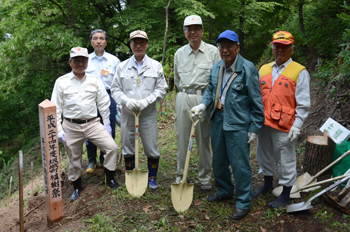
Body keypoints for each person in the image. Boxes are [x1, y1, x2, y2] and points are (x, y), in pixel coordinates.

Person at [192, 30, 265, 220]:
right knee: (218, 160)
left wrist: (254, 128)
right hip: (218, 119)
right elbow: (210, 89)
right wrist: (203, 104)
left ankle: (243, 202)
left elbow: (257, 101)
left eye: (229, 46)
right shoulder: (217, 67)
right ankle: (224, 190)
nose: (225, 50)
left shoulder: (247, 69)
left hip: (239, 124)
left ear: (237, 47)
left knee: (240, 164)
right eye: (221, 46)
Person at [51, 47, 120, 202]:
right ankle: (77, 187)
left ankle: (109, 179)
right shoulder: (61, 82)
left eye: (83, 60)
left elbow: (103, 103)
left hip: (92, 123)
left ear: (87, 62)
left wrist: (107, 123)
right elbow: (55, 108)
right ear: (70, 62)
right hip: (71, 126)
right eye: (76, 60)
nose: (80, 63)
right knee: (74, 158)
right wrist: (59, 129)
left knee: (111, 148)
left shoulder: (95, 80)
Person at [252, 31, 310, 208]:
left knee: (285, 159)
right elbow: (256, 97)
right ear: (272, 47)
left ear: (291, 49)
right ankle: (267, 184)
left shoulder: (299, 72)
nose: (280, 50)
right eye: (277, 46)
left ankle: (285, 193)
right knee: (264, 155)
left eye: (284, 47)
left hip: (285, 125)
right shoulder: (264, 69)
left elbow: (303, 103)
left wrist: (297, 126)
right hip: (264, 123)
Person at [111, 30, 167, 190]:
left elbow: (161, 89)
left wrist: (147, 101)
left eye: (142, 42)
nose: (138, 45)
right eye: (135, 42)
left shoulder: (155, 66)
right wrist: (126, 101)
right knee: (128, 144)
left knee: (151, 146)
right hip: (128, 114)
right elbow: (115, 89)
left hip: (148, 114)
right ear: (130, 45)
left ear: (147, 44)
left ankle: (152, 177)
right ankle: (131, 175)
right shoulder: (122, 67)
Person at [173, 15, 220, 191]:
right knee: (182, 138)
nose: (193, 32)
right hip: (183, 96)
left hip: (204, 98)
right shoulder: (179, 53)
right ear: (185, 32)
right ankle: (181, 175)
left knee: (203, 139)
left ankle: (205, 177)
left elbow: (217, 80)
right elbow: (177, 79)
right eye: (189, 29)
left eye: (196, 28)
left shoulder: (213, 52)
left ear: (202, 31)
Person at [85, 29, 121, 173]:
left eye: (101, 38)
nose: (98, 41)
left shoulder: (114, 60)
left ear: (106, 41)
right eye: (95, 38)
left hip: (108, 96)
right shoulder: (85, 60)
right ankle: (91, 159)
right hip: (89, 98)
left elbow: (118, 83)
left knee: (108, 127)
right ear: (91, 41)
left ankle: (104, 157)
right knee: (89, 127)